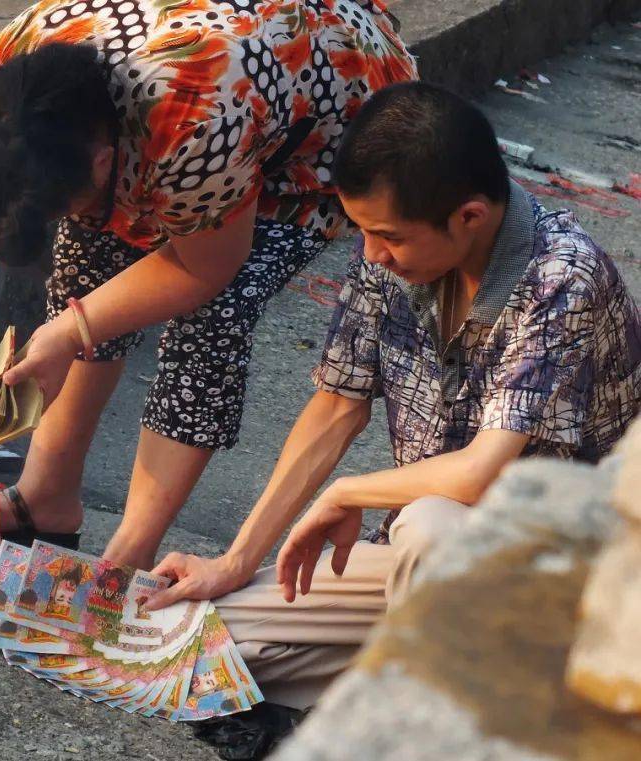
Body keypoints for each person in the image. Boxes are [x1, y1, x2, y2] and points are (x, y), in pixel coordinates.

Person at [147, 82, 641, 722]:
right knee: (199, 645)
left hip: (567, 586)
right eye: (363, 233)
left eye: (389, 237)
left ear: (469, 216)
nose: (373, 254)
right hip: (430, 571)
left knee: (431, 523)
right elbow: (335, 406)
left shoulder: (563, 279)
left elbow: (478, 474)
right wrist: (236, 560)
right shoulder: (390, 254)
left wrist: (347, 493)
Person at [0, 0, 417, 564]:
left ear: (104, 161)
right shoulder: (3, 79)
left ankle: (128, 557)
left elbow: (206, 268)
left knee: (214, 316)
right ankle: (45, 501)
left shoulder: (194, 119)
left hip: (321, 132)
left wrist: (68, 333)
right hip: (219, 95)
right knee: (88, 264)